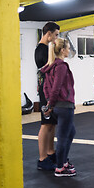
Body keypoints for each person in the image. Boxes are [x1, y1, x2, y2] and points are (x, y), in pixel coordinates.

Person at [41, 38, 76, 177]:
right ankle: (60, 168)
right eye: (67, 48)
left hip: (57, 106)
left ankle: (63, 162)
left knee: (71, 132)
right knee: (62, 138)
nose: (69, 50)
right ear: (62, 50)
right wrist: (50, 104)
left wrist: (50, 103)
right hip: (64, 106)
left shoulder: (50, 66)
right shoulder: (61, 66)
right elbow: (56, 88)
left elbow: (45, 87)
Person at [34, 22, 60, 170]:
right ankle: (42, 158)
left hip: (49, 90)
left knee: (52, 123)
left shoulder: (47, 48)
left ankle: (50, 152)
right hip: (45, 91)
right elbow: (48, 68)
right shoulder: (41, 50)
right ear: (48, 34)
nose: (56, 38)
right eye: (55, 35)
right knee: (45, 124)